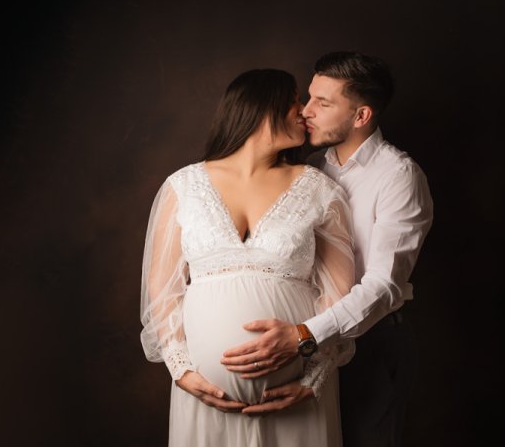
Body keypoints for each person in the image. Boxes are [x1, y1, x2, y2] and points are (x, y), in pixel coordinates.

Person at [220, 52, 434, 447]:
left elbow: (383, 286)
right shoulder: (312, 167)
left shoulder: (398, 177)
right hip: (304, 350)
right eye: (309, 97)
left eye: (323, 102)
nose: (306, 111)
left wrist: (304, 336)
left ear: (361, 116)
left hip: (370, 346)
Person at [140, 69, 355, 446]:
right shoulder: (184, 186)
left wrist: (314, 378)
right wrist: (182, 369)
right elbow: (162, 289)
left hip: (297, 395)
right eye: (294, 101)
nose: (304, 112)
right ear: (260, 105)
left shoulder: (320, 189)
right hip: (204, 399)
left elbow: (340, 296)